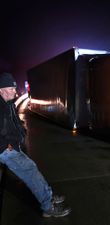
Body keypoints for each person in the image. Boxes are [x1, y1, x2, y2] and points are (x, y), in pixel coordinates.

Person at [0, 72, 71, 217]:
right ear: (1, 90)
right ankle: (47, 207)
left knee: (32, 168)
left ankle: (48, 196)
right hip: (6, 150)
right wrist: (6, 145)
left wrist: (21, 129)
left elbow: (14, 122)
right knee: (30, 172)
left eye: (14, 88)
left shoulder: (8, 104)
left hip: (14, 145)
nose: (15, 91)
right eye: (11, 88)